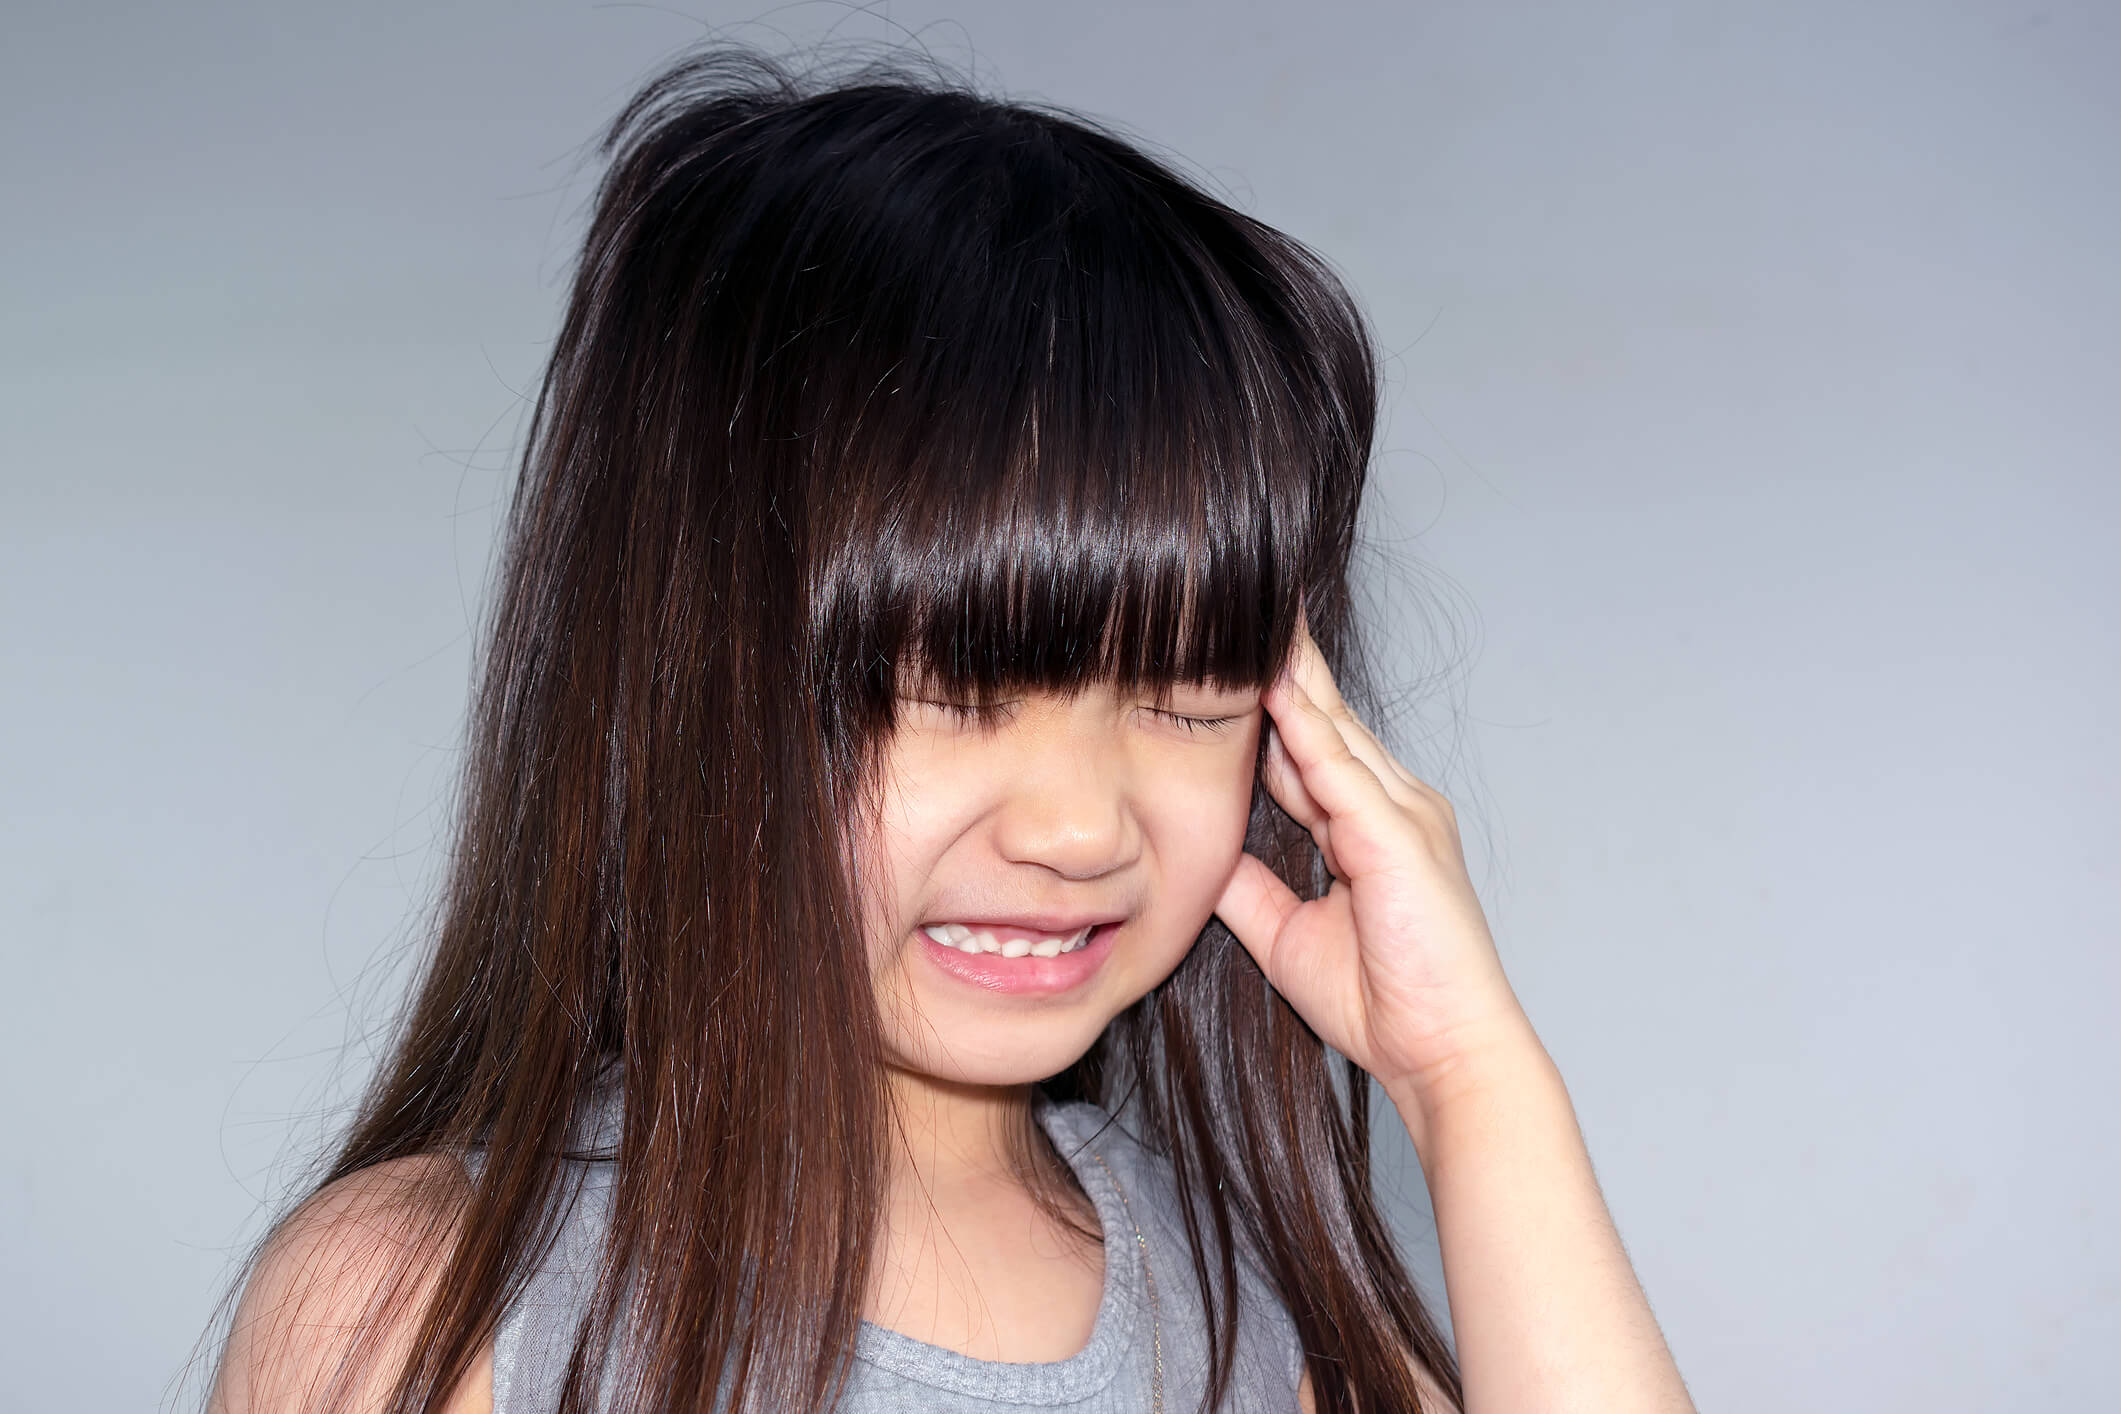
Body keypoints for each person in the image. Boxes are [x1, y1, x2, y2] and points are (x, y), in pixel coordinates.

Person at [201, 42, 1695, 1414]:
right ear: (689, 681)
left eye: (1184, 698)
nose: (1077, 826)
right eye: (957, 688)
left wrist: (1468, 1084)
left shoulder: (1270, 1324)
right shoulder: (435, 1305)